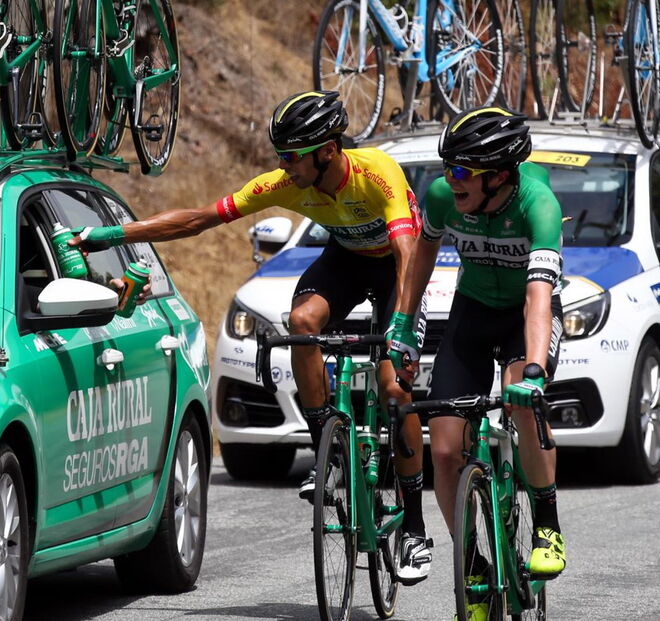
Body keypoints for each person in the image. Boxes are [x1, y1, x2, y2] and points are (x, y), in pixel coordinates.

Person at [71, 90, 433, 583]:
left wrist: (402, 324)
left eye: (291, 156)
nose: (282, 166)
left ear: (328, 151)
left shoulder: (376, 172)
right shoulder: (285, 184)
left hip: (397, 269)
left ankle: (414, 527)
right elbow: (199, 219)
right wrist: (113, 235)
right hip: (346, 262)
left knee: (394, 389)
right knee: (302, 324)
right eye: (279, 155)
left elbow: (407, 251)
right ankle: (328, 450)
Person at [387, 107, 567, 617]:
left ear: (500, 174)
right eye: (448, 167)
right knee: (445, 450)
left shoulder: (538, 206)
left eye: (463, 170)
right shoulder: (443, 197)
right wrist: (404, 322)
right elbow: (423, 255)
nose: (451, 179)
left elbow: (538, 297)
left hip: (524, 317)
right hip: (472, 311)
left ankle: (548, 523)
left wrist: (534, 372)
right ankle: (473, 569)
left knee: (522, 405)